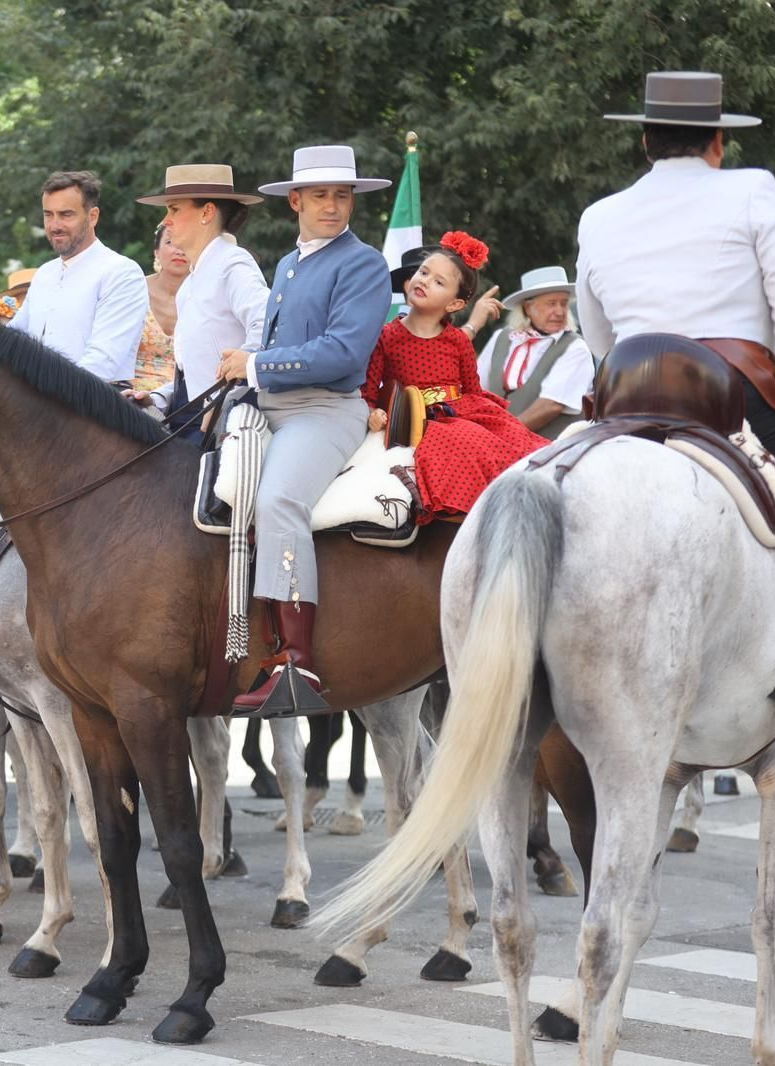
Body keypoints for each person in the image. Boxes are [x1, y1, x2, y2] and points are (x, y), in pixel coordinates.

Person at [576, 69, 775, 732]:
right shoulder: (751, 188)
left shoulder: (599, 214)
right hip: (729, 391)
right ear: (717, 142)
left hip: (628, 394)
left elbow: (596, 334)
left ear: (646, 141)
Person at [210, 146, 392, 714]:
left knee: (279, 499)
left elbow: (343, 353)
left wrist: (256, 364)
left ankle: (296, 665)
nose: (332, 206)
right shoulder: (290, 263)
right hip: (270, 405)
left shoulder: (363, 263)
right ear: (295, 201)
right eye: (319, 196)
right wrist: (245, 363)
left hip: (325, 410)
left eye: (341, 196)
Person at [363, 234, 549, 523]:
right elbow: (369, 391)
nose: (425, 281)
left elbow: (473, 391)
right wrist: (373, 412)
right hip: (417, 419)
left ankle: (515, 507)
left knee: (508, 444)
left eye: (439, 282)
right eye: (423, 272)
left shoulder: (458, 341)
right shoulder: (386, 336)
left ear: (454, 304)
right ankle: (464, 514)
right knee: (460, 440)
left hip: (460, 411)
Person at [132, 164, 268, 431]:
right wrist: (158, 398)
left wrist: (226, 398)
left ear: (207, 212)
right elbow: (194, 372)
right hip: (190, 415)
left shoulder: (233, 264)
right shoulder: (192, 282)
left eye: (174, 209)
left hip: (223, 421)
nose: (165, 220)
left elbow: (266, 327)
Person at [8, 171, 149, 386]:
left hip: (96, 401)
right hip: (36, 400)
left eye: (66, 215)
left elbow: (102, 362)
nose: (55, 226)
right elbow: (13, 337)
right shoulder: (45, 273)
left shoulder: (122, 273)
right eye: (48, 215)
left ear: (93, 217)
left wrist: (44, 392)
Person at [474, 265, 594, 437]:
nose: (560, 311)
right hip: (496, 442)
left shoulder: (575, 347)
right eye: (552, 304)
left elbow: (551, 405)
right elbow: (476, 389)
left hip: (549, 449)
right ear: (528, 308)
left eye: (564, 303)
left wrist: (500, 437)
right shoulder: (502, 338)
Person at [131, 224, 188, 392]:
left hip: (186, 397)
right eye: (170, 242)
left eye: (186, 243)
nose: (179, 251)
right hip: (131, 393)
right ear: (156, 251)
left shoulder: (207, 299)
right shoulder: (133, 291)